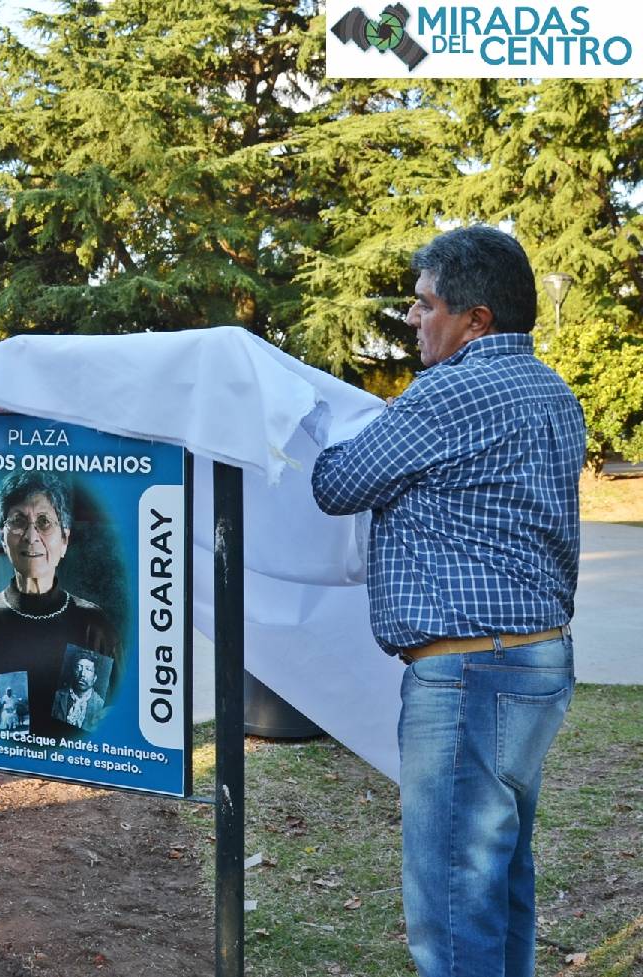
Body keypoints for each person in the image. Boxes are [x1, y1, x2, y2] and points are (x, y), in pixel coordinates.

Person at [311, 225, 585, 977]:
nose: (411, 319)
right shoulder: (555, 392)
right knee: (499, 878)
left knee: (455, 901)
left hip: (468, 675)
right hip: (537, 664)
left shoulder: (451, 392)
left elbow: (337, 483)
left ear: (477, 319)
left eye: (425, 304)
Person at [0, 471, 120, 740]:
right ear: (2, 537)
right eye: (18, 522)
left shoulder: (93, 624)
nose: (31, 536)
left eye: (44, 522)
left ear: (64, 540)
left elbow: (111, 715)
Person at [51, 651, 106, 732]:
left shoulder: (100, 705)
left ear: (94, 678)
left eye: (88, 669)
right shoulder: (57, 697)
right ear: (73, 672)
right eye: (78, 667)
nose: (82, 674)